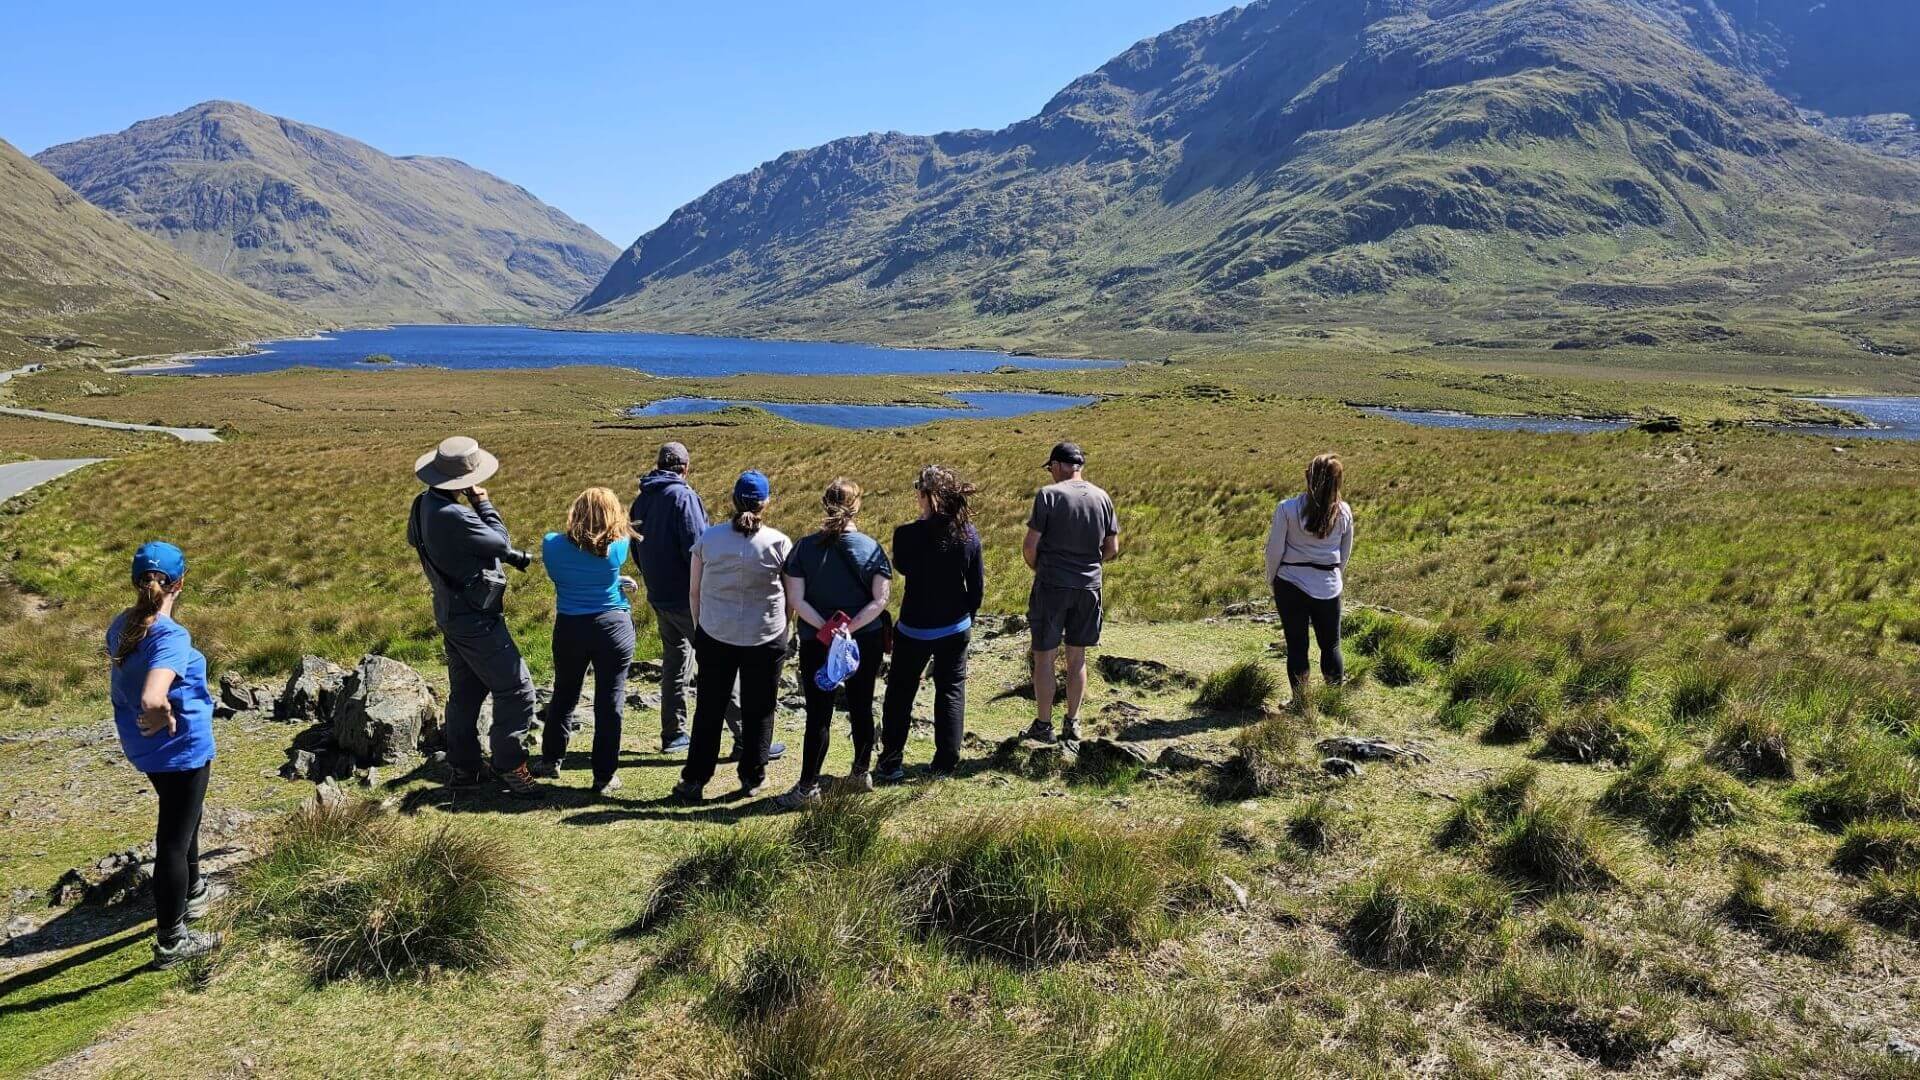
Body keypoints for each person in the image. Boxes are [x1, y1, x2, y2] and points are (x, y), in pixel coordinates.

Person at [407, 436, 544, 797]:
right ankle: (509, 766)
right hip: (476, 617)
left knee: (466, 694)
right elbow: (501, 540)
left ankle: (465, 767)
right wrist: (483, 503)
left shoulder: (422, 504)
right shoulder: (456, 514)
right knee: (517, 689)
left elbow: (415, 540)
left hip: (450, 613)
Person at [107, 542, 222, 969]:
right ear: (181, 582)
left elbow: (127, 682)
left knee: (182, 818)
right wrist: (157, 713)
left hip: (147, 751)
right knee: (173, 839)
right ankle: (172, 941)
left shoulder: (122, 625)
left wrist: (148, 721)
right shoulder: (171, 635)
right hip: (181, 750)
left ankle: (193, 891)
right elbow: (154, 695)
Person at [631, 442, 782, 761]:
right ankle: (747, 739)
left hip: (660, 596)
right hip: (687, 598)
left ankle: (673, 732)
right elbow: (700, 549)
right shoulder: (684, 497)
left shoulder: (642, 499)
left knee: (675, 662)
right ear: (685, 468)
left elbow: (636, 547)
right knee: (717, 666)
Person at [671, 470, 793, 805]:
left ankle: (694, 779)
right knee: (761, 708)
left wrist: (701, 628)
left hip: (715, 634)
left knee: (709, 709)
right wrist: (784, 627)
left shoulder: (709, 540)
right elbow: (790, 594)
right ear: (766, 503)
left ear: (733, 500)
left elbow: (694, 592)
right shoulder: (780, 543)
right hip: (766, 635)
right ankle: (753, 776)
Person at [774, 479, 893, 809]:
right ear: (858, 506)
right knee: (861, 704)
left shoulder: (803, 548)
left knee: (819, 713)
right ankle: (859, 774)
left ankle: (807, 787)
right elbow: (881, 599)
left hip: (818, 641)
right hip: (862, 641)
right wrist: (849, 629)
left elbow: (795, 599)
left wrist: (829, 629)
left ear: (824, 504)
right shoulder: (872, 548)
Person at [878, 466, 983, 783]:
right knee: (950, 691)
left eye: (918, 492)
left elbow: (903, 566)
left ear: (925, 496)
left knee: (900, 693)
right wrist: (967, 620)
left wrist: (922, 524)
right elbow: (976, 588)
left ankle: (891, 761)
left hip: (914, 627)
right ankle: (945, 763)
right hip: (954, 626)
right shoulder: (968, 534)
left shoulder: (906, 535)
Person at [531, 487, 638, 794]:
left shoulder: (551, 545)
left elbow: (572, 573)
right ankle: (604, 776)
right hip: (612, 626)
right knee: (610, 700)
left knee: (565, 692)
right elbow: (601, 569)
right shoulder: (620, 545)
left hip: (571, 626)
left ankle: (551, 760)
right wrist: (616, 580)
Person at [1022, 442, 1119, 747]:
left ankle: (1043, 724)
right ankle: (1073, 722)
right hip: (1089, 587)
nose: (1050, 473)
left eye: (1051, 466)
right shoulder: (1103, 497)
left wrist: (1043, 568)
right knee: (1077, 657)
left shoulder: (1049, 496)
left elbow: (1029, 546)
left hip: (1052, 585)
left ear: (1061, 465)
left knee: (1045, 657)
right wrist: (1087, 566)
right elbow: (1112, 548)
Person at [1263, 453, 1353, 700]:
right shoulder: (1344, 512)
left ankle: (1301, 702)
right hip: (1329, 584)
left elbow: (1274, 550)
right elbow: (1343, 555)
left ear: (1308, 478)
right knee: (1331, 645)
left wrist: (1273, 579)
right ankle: (1334, 700)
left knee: (1297, 645)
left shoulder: (1287, 508)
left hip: (1290, 582)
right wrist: (1334, 579)